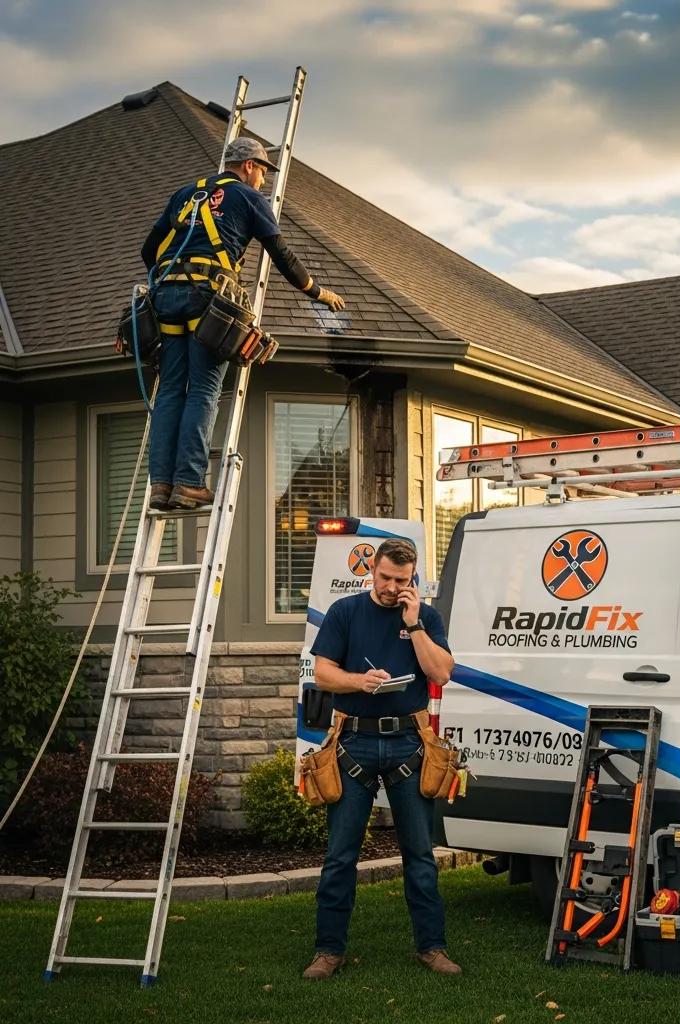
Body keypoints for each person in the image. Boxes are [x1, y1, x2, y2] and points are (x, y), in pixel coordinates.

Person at [140, 137, 346, 511]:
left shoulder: (186, 194)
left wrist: (174, 278)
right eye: (264, 172)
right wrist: (318, 292)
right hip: (207, 300)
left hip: (165, 300)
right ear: (249, 165)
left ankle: (161, 485)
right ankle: (188, 483)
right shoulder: (250, 199)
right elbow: (280, 253)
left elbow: (148, 251)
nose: (264, 181)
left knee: (171, 389)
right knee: (202, 389)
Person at [303, 537, 459, 981]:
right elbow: (323, 671)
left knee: (420, 855)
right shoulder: (346, 612)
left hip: (410, 744)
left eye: (402, 581)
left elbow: (441, 672)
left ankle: (432, 947)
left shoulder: (424, 617)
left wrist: (413, 625)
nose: (392, 588)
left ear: (414, 579)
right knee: (340, 856)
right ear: (372, 569)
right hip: (354, 742)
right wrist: (359, 681)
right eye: (386, 577)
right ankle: (328, 951)